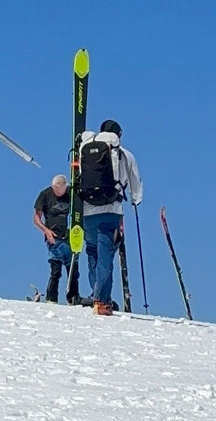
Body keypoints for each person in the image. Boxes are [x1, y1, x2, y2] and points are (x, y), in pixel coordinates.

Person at [79, 119, 142, 316]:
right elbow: (136, 183)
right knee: (106, 256)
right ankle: (102, 300)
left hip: (88, 211)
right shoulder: (124, 154)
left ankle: (96, 292)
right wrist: (135, 200)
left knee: (92, 252)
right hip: (111, 211)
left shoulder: (86, 149)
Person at [33, 174, 80, 303]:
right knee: (56, 270)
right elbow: (36, 218)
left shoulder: (71, 193)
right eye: (55, 189)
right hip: (53, 237)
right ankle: (51, 298)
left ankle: (73, 298)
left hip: (69, 237)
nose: (57, 192)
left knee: (73, 269)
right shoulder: (45, 194)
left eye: (59, 190)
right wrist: (46, 231)